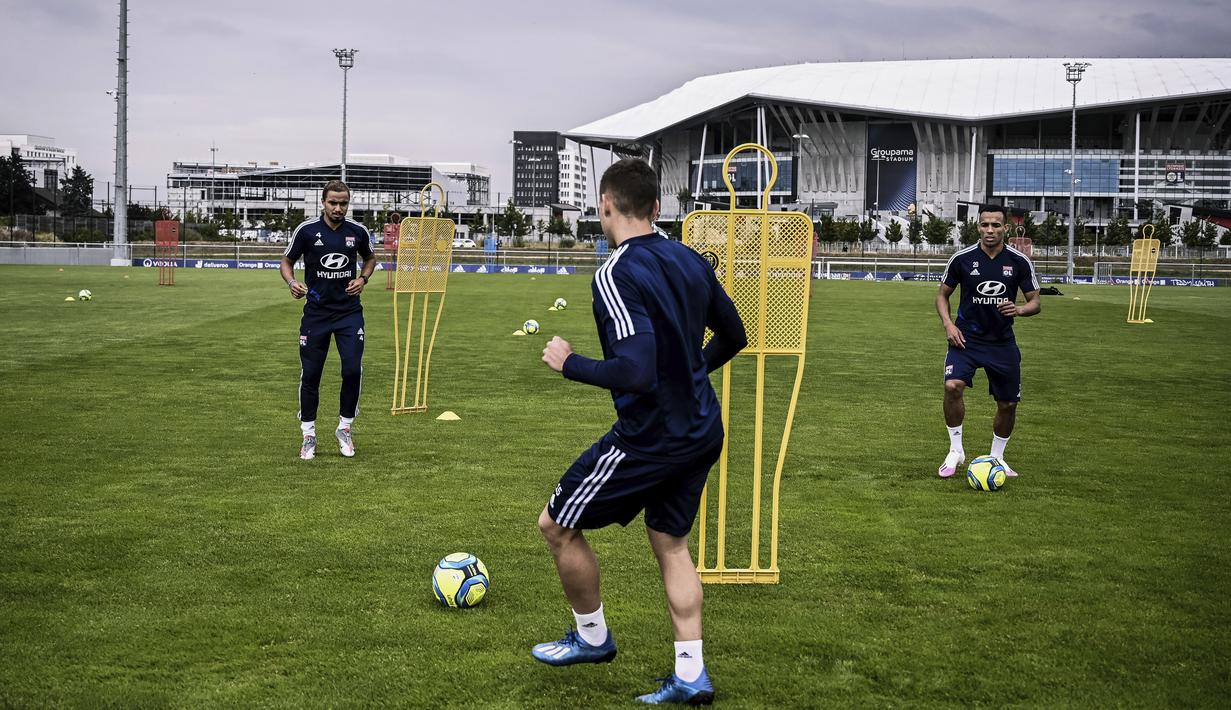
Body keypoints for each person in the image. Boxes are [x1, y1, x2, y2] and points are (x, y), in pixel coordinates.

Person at [535, 158, 746, 705]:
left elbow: (636, 371)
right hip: (701, 429)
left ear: (605, 205)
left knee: (556, 525)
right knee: (671, 543)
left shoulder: (615, 272)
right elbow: (734, 335)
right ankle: (691, 674)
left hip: (651, 437)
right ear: (655, 207)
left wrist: (570, 362)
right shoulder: (690, 259)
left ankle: (592, 638)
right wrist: (691, 372)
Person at [935, 205, 1041, 478]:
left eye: (996, 225)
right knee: (952, 385)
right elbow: (942, 295)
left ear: (1006, 228)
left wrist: (1019, 309)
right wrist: (948, 325)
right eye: (985, 225)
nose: (990, 230)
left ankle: (997, 457)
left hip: (1002, 343)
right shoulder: (962, 259)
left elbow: (1035, 302)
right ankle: (956, 450)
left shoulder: (1019, 261)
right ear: (978, 227)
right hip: (965, 339)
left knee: (1008, 404)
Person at [279, 180, 376, 460]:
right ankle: (308, 434)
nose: (338, 208)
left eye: (343, 203)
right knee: (311, 374)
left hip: (349, 313)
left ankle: (345, 429)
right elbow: (286, 261)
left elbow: (370, 258)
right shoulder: (307, 231)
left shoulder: (357, 231)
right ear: (323, 202)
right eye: (333, 202)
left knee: (352, 370)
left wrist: (363, 278)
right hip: (316, 314)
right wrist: (292, 282)